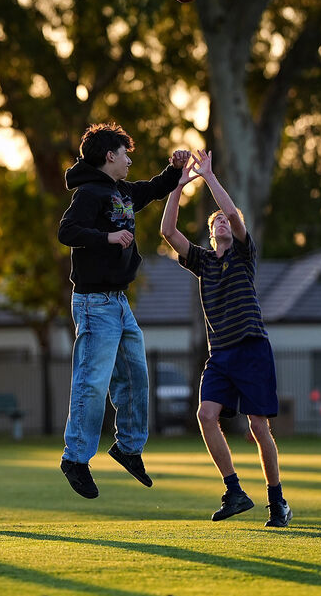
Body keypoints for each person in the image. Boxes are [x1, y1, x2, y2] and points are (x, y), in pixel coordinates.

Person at [57, 121, 189, 499]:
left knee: (135, 377)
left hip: (118, 302)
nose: (130, 159)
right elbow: (67, 232)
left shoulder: (122, 191)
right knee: (92, 384)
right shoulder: (89, 194)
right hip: (94, 303)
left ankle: (128, 448)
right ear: (109, 155)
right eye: (125, 153)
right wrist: (107, 237)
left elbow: (154, 188)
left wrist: (175, 169)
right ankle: (76, 459)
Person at [159, 149, 291, 526]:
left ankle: (277, 500)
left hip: (251, 349)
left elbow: (232, 213)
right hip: (220, 356)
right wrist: (177, 186)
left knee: (258, 427)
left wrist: (210, 176)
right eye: (214, 221)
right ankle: (233, 490)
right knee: (205, 414)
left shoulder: (245, 255)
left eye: (225, 222)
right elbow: (167, 233)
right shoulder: (202, 262)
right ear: (210, 231)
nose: (221, 222)